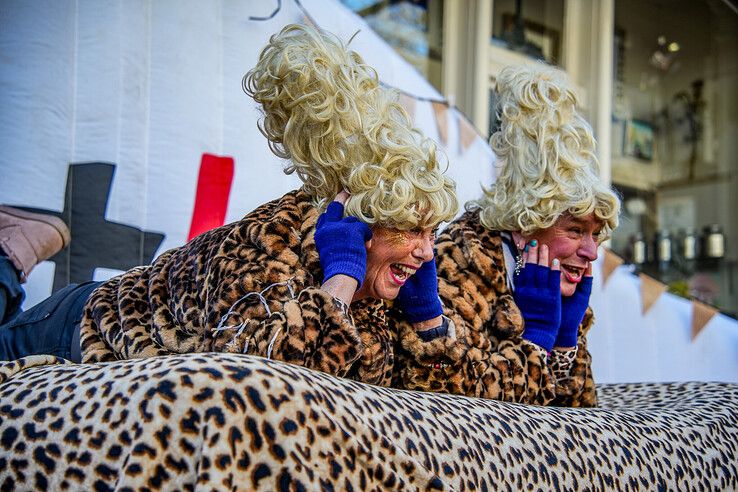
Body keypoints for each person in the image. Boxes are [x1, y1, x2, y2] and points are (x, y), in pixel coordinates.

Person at [0, 23, 458, 387]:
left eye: (431, 234)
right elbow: (259, 386)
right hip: (83, 329)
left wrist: (430, 322)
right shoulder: (273, 243)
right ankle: (12, 253)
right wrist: (339, 280)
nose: (427, 252)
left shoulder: (385, 297)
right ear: (360, 224)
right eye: (412, 231)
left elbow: (437, 409)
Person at [392, 63, 620, 407]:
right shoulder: (459, 262)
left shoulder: (555, 283)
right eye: (575, 231)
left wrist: (565, 341)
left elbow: (578, 423)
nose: (591, 252)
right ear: (527, 225)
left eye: (595, 235)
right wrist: (537, 340)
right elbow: (443, 385)